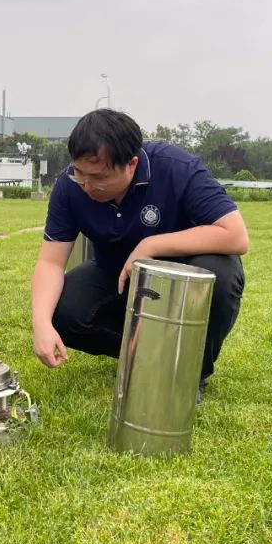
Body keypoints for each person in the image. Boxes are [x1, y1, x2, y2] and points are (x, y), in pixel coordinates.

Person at [30, 109, 248, 401]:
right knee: (62, 311)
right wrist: (41, 324)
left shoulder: (177, 168)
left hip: (184, 272)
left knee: (218, 278)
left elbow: (235, 235)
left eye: (99, 177)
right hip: (115, 272)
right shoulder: (69, 187)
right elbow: (50, 262)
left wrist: (151, 246)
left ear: (131, 164)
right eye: (80, 173)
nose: (87, 186)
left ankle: (191, 371)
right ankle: (149, 357)